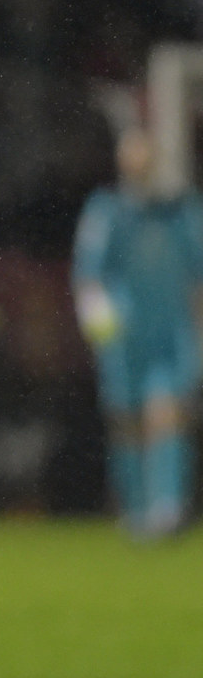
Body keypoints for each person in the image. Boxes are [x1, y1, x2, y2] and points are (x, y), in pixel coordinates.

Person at [72, 125, 203, 538]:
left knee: (166, 416)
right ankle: (136, 508)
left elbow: (198, 275)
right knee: (127, 423)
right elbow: (88, 275)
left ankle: (167, 508)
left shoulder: (181, 210)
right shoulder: (107, 209)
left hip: (171, 330)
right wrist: (99, 327)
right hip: (123, 336)